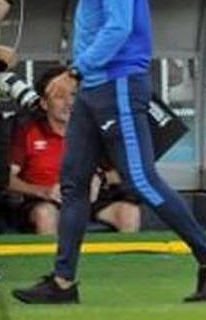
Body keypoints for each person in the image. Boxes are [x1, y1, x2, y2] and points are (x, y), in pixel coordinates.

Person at [13, 0, 206, 305]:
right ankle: (63, 282)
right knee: (74, 182)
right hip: (97, 86)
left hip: (115, 84)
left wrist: (76, 70)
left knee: (141, 180)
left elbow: (118, 27)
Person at [8, 66, 140, 235]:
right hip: (46, 200)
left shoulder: (95, 130)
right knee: (45, 215)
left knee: (129, 212)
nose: (69, 103)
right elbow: (6, 178)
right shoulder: (27, 130)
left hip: (90, 200)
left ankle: (125, 262)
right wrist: (42, 191)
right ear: (44, 103)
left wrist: (100, 177)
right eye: (59, 97)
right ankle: (55, 262)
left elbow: (127, 172)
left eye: (73, 95)